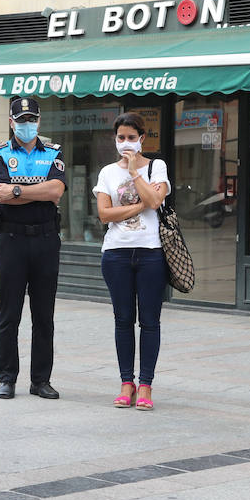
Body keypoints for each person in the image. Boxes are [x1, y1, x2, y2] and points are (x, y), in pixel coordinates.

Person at [0, 96, 66, 400]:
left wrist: (17, 190)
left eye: (31, 119)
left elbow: (57, 189)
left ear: (39, 121)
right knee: (9, 314)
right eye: (20, 120)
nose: (26, 125)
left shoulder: (54, 152)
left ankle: (40, 380)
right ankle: (7, 377)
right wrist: (40, 192)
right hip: (11, 241)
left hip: (46, 241)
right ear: (11, 122)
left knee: (44, 315)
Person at [93, 112, 169, 411]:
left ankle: (146, 385)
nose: (125, 143)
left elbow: (155, 202)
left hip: (151, 252)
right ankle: (127, 382)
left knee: (150, 322)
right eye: (121, 137)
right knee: (123, 320)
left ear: (142, 139)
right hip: (116, 253)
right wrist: (141, 204)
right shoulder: (107, 172)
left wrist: (137, 172)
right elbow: (104, 214)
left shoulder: (157, 166)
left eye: (131, 137)